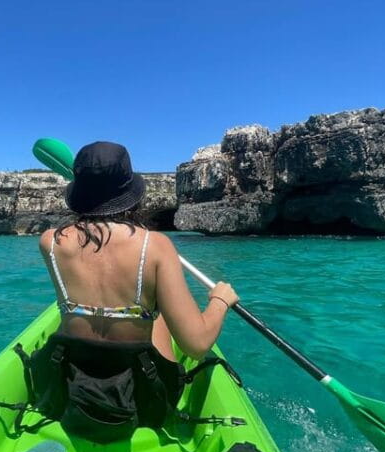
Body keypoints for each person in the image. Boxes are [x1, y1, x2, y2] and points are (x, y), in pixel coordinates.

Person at [39, 141, 238, 362]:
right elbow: (196, 346)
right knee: (156, 310)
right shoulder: (155, 246)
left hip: (75, 380)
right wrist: (220, 301)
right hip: (137, 390)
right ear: (130, 192)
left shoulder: (50, 242)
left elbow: (99, 247)